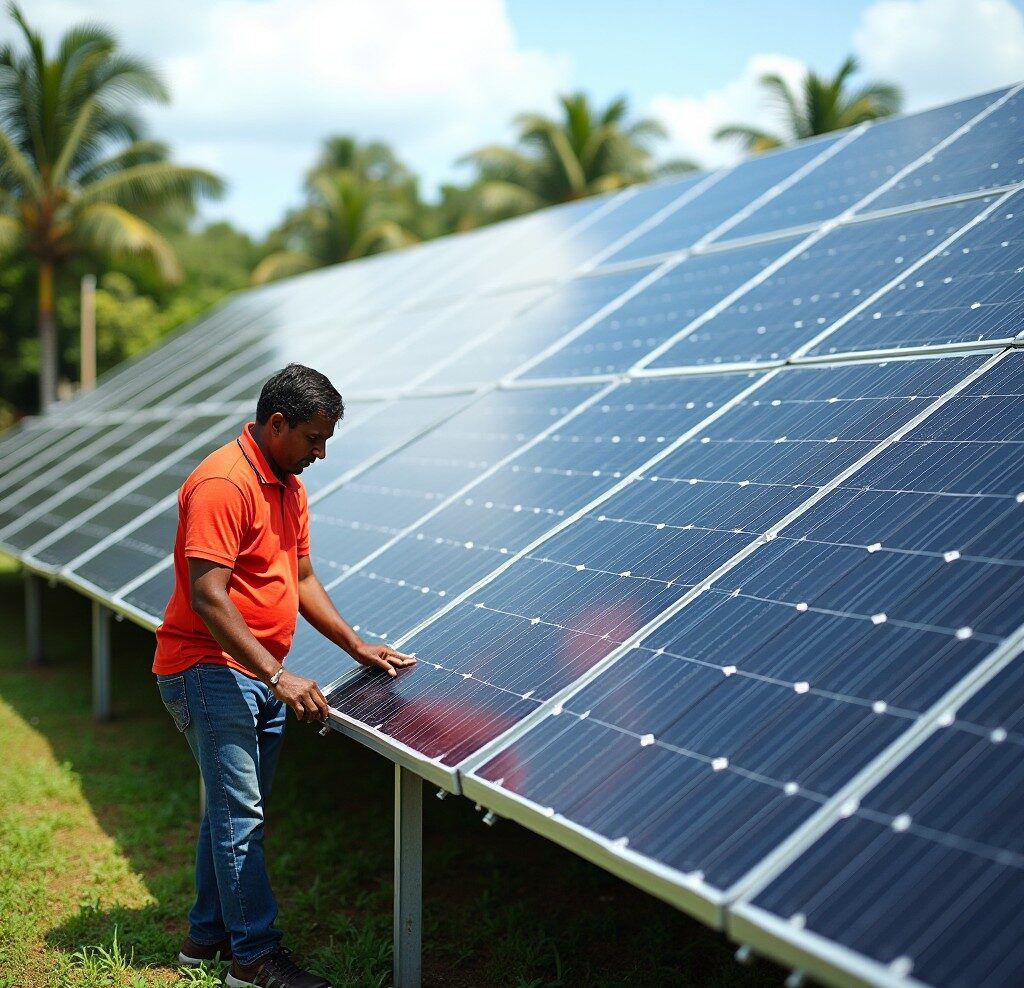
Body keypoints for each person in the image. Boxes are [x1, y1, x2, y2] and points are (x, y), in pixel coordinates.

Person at [153, 364, 415, 988]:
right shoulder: (224, 482)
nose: (321, 453)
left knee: (233, 811)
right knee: (241, 816)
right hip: (208, 667)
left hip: (255, 674)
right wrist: (278, 676)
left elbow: (298, 578)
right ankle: (254, 960)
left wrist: (356, 647)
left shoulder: (288, 484)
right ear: (277, 425)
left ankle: (207, 940)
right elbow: (209, 594)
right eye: (313, 439)